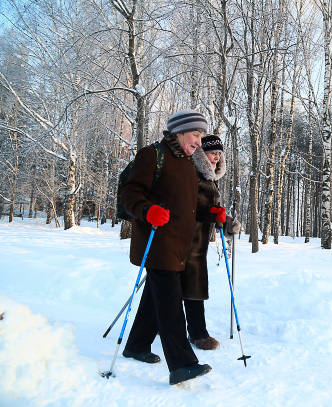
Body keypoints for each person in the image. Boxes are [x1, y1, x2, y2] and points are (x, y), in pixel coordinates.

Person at [119, 109, 212, 385]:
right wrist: (147, 209)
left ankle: (136, 345)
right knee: (171, 304)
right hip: (157, 243)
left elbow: (189, 207)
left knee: (154, 299)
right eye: (195, 134)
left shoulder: (188, 163)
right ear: (179, 132)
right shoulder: (153, 155)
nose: (198, 141)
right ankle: (182, 364)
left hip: (179, 246)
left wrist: (213, 213)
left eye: (201, 135)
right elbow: (131, 192)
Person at [183, 134, 240, 351]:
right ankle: (198, 334)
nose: (216, 157)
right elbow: (185, 207)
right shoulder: (193, 173)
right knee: (188, 286)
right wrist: (211, 213)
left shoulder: (210, 178)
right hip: (185, 239)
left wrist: (228, 223)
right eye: (211, 153)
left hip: (199, 243)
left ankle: (157, 326)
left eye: (218, 153)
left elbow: (214, 212)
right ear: (201, 153)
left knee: (182, 286)